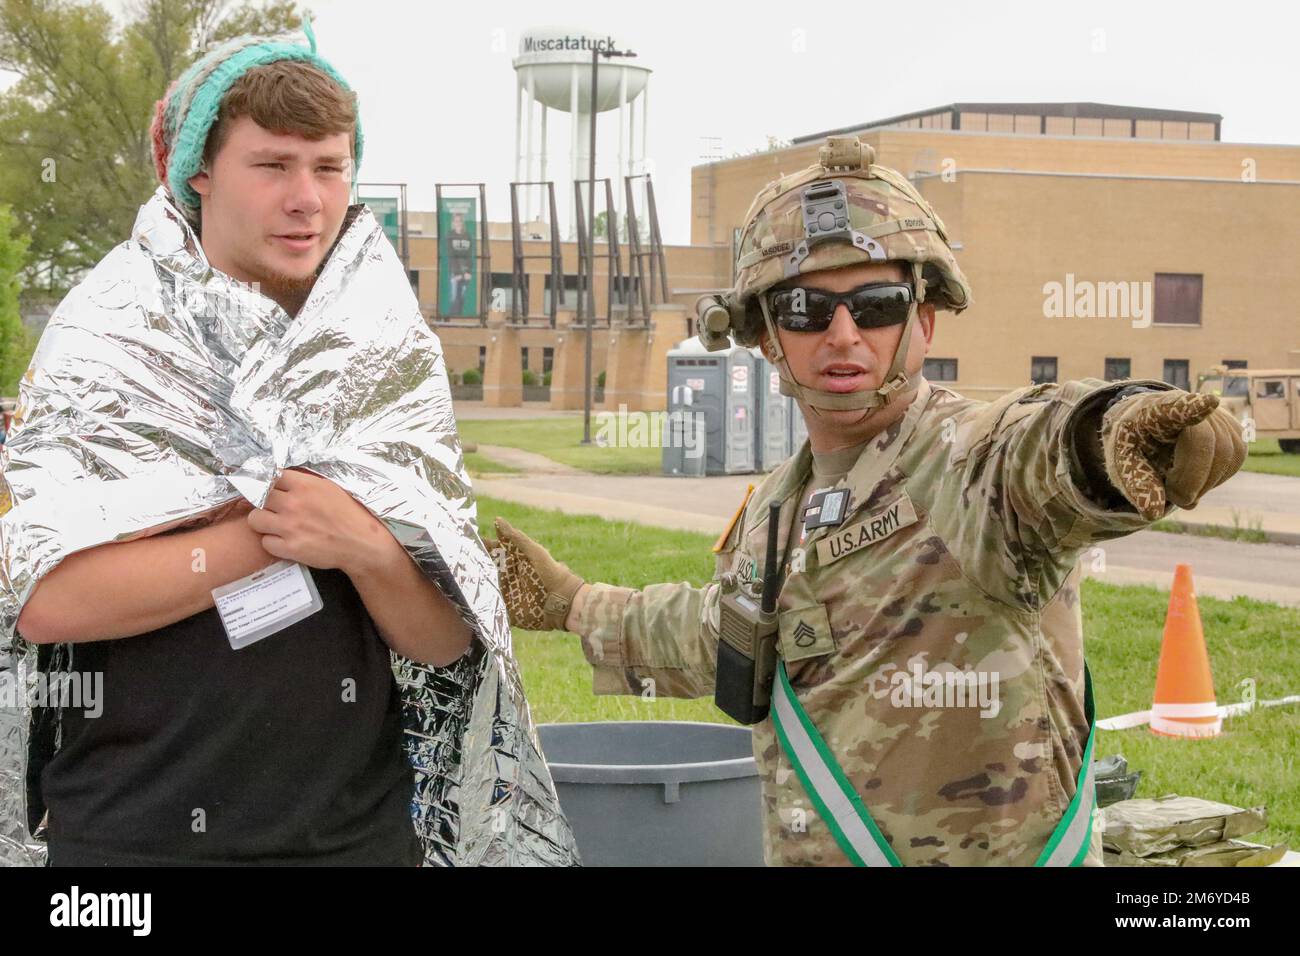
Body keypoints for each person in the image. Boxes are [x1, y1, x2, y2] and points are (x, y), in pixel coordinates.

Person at [487, 136, 1247, 866]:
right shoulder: (780, 506)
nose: (844, 335)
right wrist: (575, 604)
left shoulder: (970, 466)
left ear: (922, 320)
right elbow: (733, 637)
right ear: (763, 336)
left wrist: (1114, 436)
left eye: (876, 304)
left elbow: (1044, 449)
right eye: (806, 311)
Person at [5, 25, 477, 866]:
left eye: (329, 167)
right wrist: (257, 535)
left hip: (356, 839)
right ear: (198, 175)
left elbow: (443, 640)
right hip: (133, 841)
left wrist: (365, 546)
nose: (308, 199)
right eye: (272, 166)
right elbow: (49, 602)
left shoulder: (388, 354)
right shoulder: (106, 338)